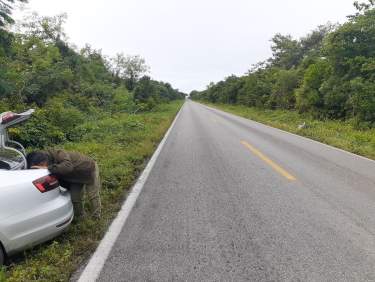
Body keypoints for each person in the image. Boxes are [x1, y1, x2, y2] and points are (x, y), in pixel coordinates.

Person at [26, 149, 102, 219]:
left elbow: (68, 167)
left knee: (93, 195)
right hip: (74, 176)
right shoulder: (45, 160)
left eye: (42, 164)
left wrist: (48, 168)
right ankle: (80, 217)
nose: (42, 167)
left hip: (88, 169)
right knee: (75, 198)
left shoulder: (59, 153)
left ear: (44, 160)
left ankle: (96, 216)